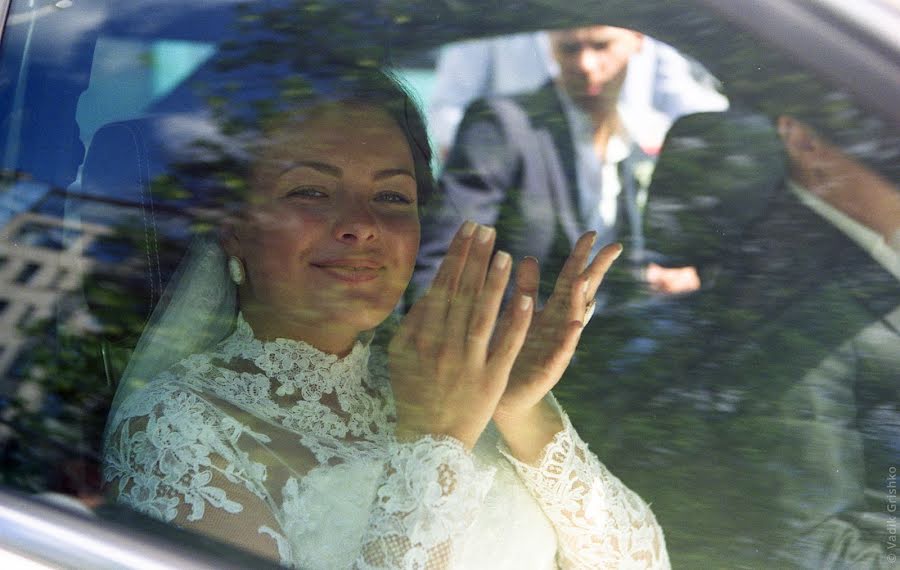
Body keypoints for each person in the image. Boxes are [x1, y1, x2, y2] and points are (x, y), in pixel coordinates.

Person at [102, 70, 670, 569]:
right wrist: (436, 440)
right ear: (234, 227)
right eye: (311, 191)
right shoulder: (173, 428)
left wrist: (521, 408)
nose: (361, 224)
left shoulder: (443, 374)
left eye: (393, 198)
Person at [415, 25, 700, 305]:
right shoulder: (503, 126)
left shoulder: (631, 143)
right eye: (570, 48)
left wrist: (654, 278)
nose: (585, 64)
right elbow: (443, 261)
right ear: (550, 46)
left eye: (602, 46)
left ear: (638, 40)